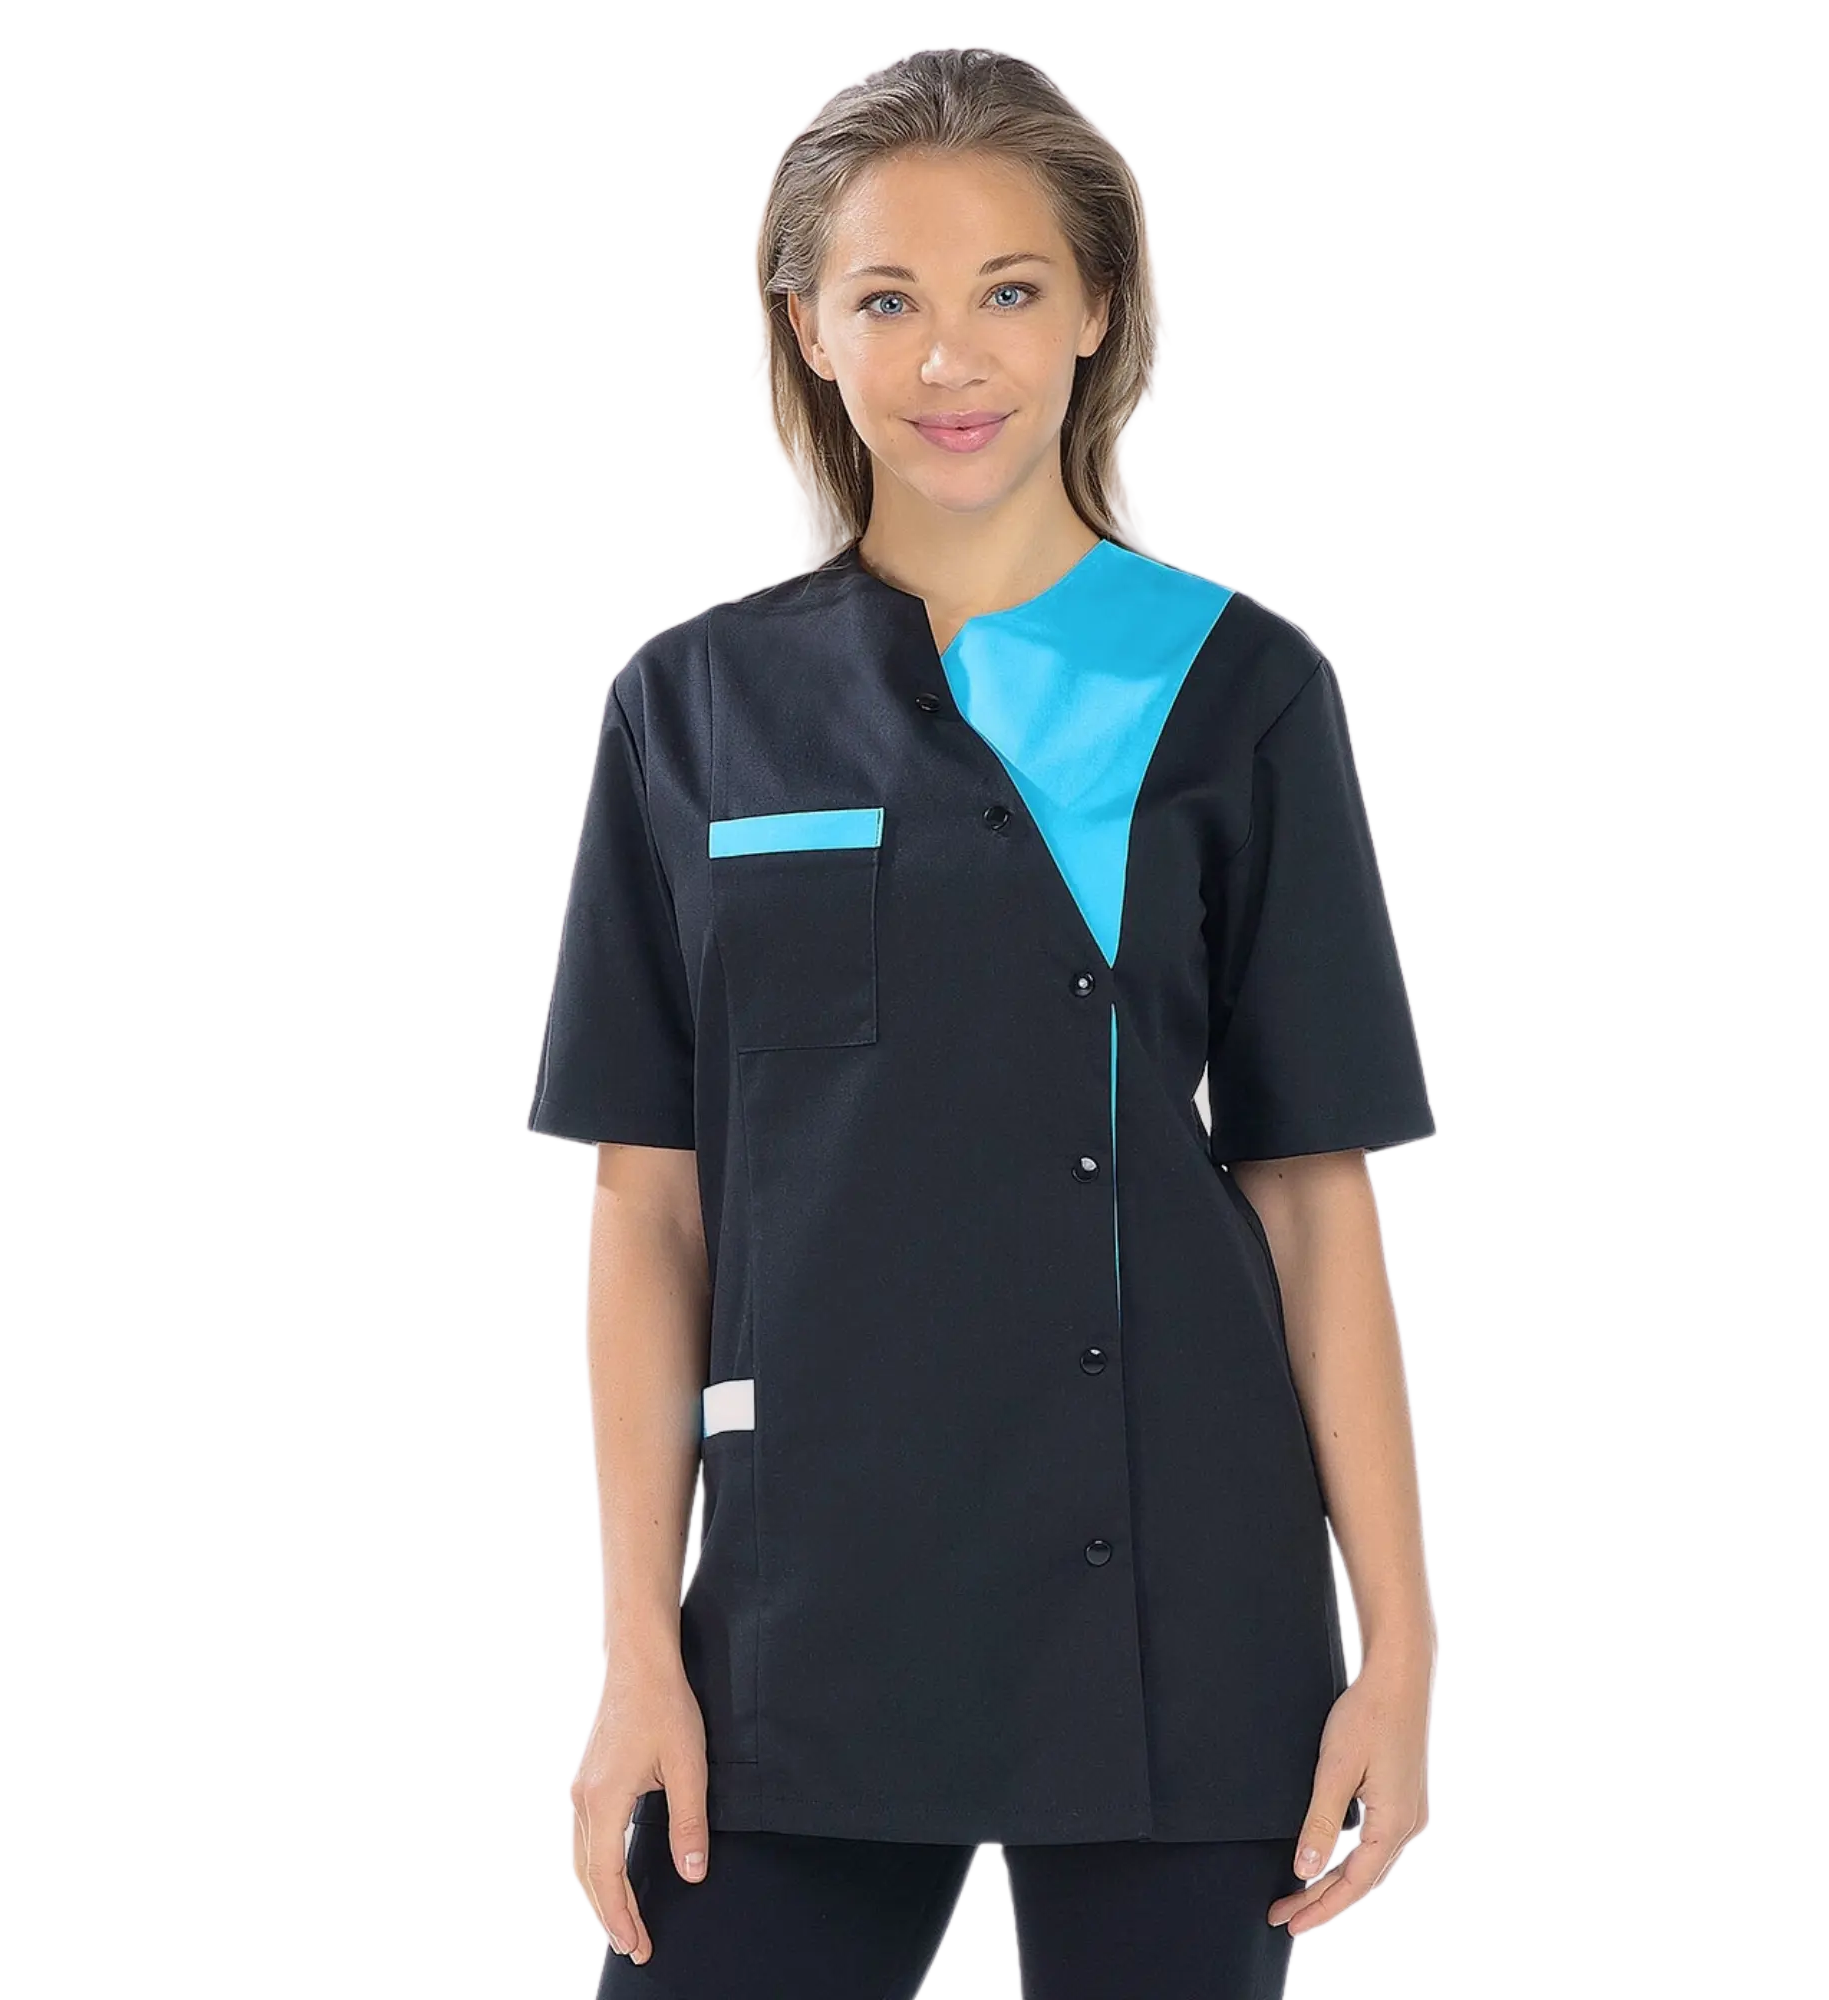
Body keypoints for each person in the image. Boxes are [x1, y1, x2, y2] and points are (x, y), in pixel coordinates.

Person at [539, 44, 1438, 2000]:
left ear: (1101, 307)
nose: (953, 358)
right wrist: (633, 1655)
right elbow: (647, 1208)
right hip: (802, 1594)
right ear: (807, 329)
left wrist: (1400, 1648)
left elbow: (1312, 1194)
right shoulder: (689, 705)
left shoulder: (1235, 681)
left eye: (1009, 289)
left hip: (1177, 1592)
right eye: (889, 299)